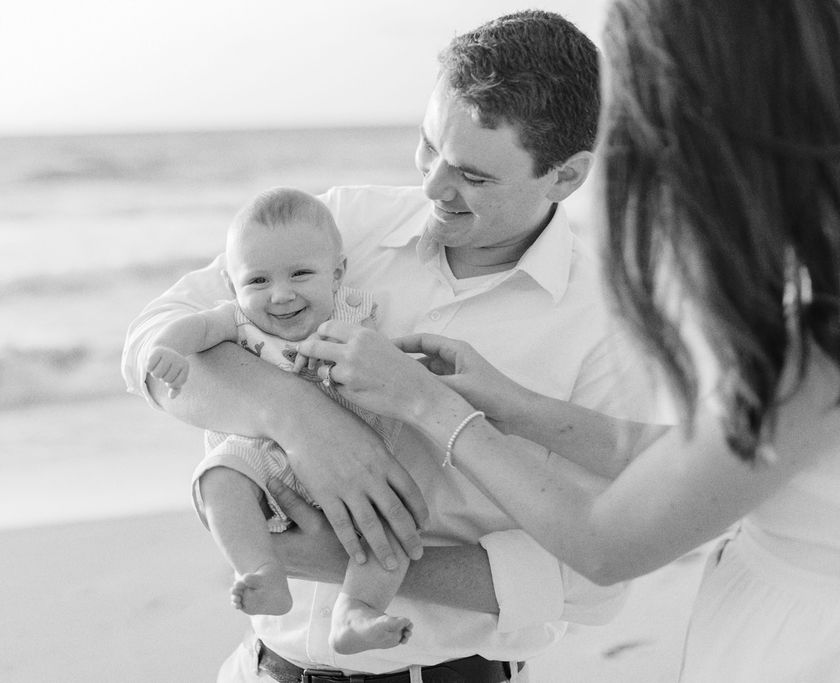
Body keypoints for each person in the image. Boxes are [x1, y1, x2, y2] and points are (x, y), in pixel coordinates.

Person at [293, 1, 840, 680]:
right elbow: (696, 458)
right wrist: (517, 406)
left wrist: (428, 405)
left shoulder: (818, 335)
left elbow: (609, 547)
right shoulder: (815, 298)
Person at [123, 10, 669, 682]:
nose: (434, 187)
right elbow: (154, 339)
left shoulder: (606, 327)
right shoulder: (346, 224)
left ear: (564, 176)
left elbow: (593, 583)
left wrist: (346, 558)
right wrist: (301, 417)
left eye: (473, 175)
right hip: (266, 668)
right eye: (429, 146)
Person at [146, 186, 413, 654]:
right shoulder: (237, 322)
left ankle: (357, 611)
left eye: (301, 274)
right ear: (232, 286)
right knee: (216, 479)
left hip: (357, 462)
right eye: (258, 282)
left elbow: (390, 372)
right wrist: (166, 349)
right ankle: (261, 570)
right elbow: (194, 326)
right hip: (259, 458)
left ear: (337, 274)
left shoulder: (355, 316)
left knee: (391, 523)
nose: (281, 294)